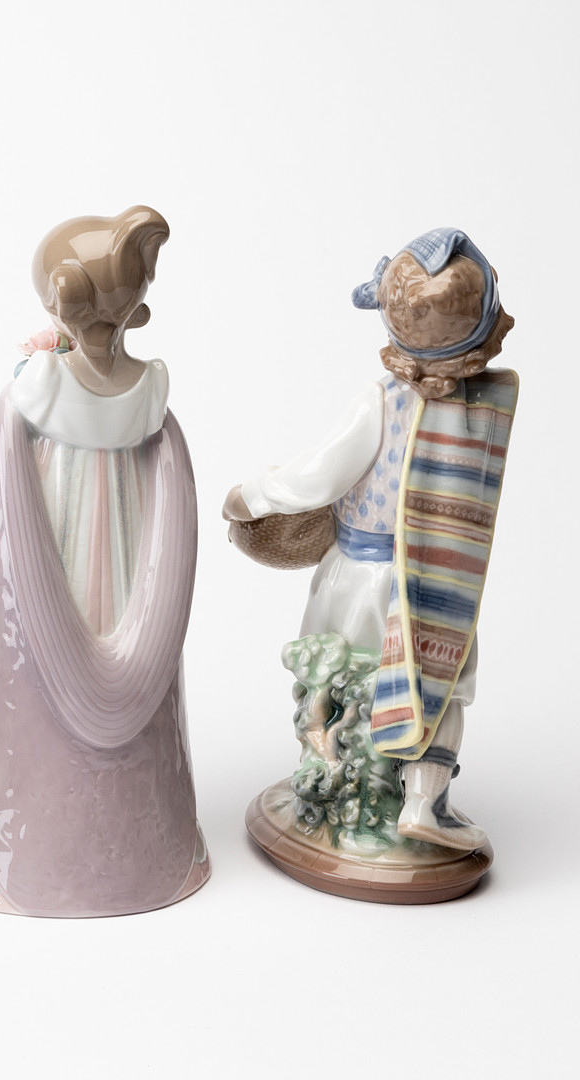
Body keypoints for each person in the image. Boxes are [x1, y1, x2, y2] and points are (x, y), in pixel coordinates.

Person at [0, 207, 210, 916]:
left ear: (60, 299)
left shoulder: (41, 382)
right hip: (132, 534)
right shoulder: (151, 387)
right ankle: (134, 841)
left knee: (18, 663)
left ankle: (25, 840)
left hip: (48, 523)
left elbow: (4, 425)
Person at [225, 228, 518, 853]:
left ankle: (337, 783)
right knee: (440, 685)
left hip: (358, 579)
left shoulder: (383, 400)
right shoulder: (478, 413)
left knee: (337, 679)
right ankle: (420, 800)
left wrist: (254, 494)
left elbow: (322, 473)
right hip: (433, 583)